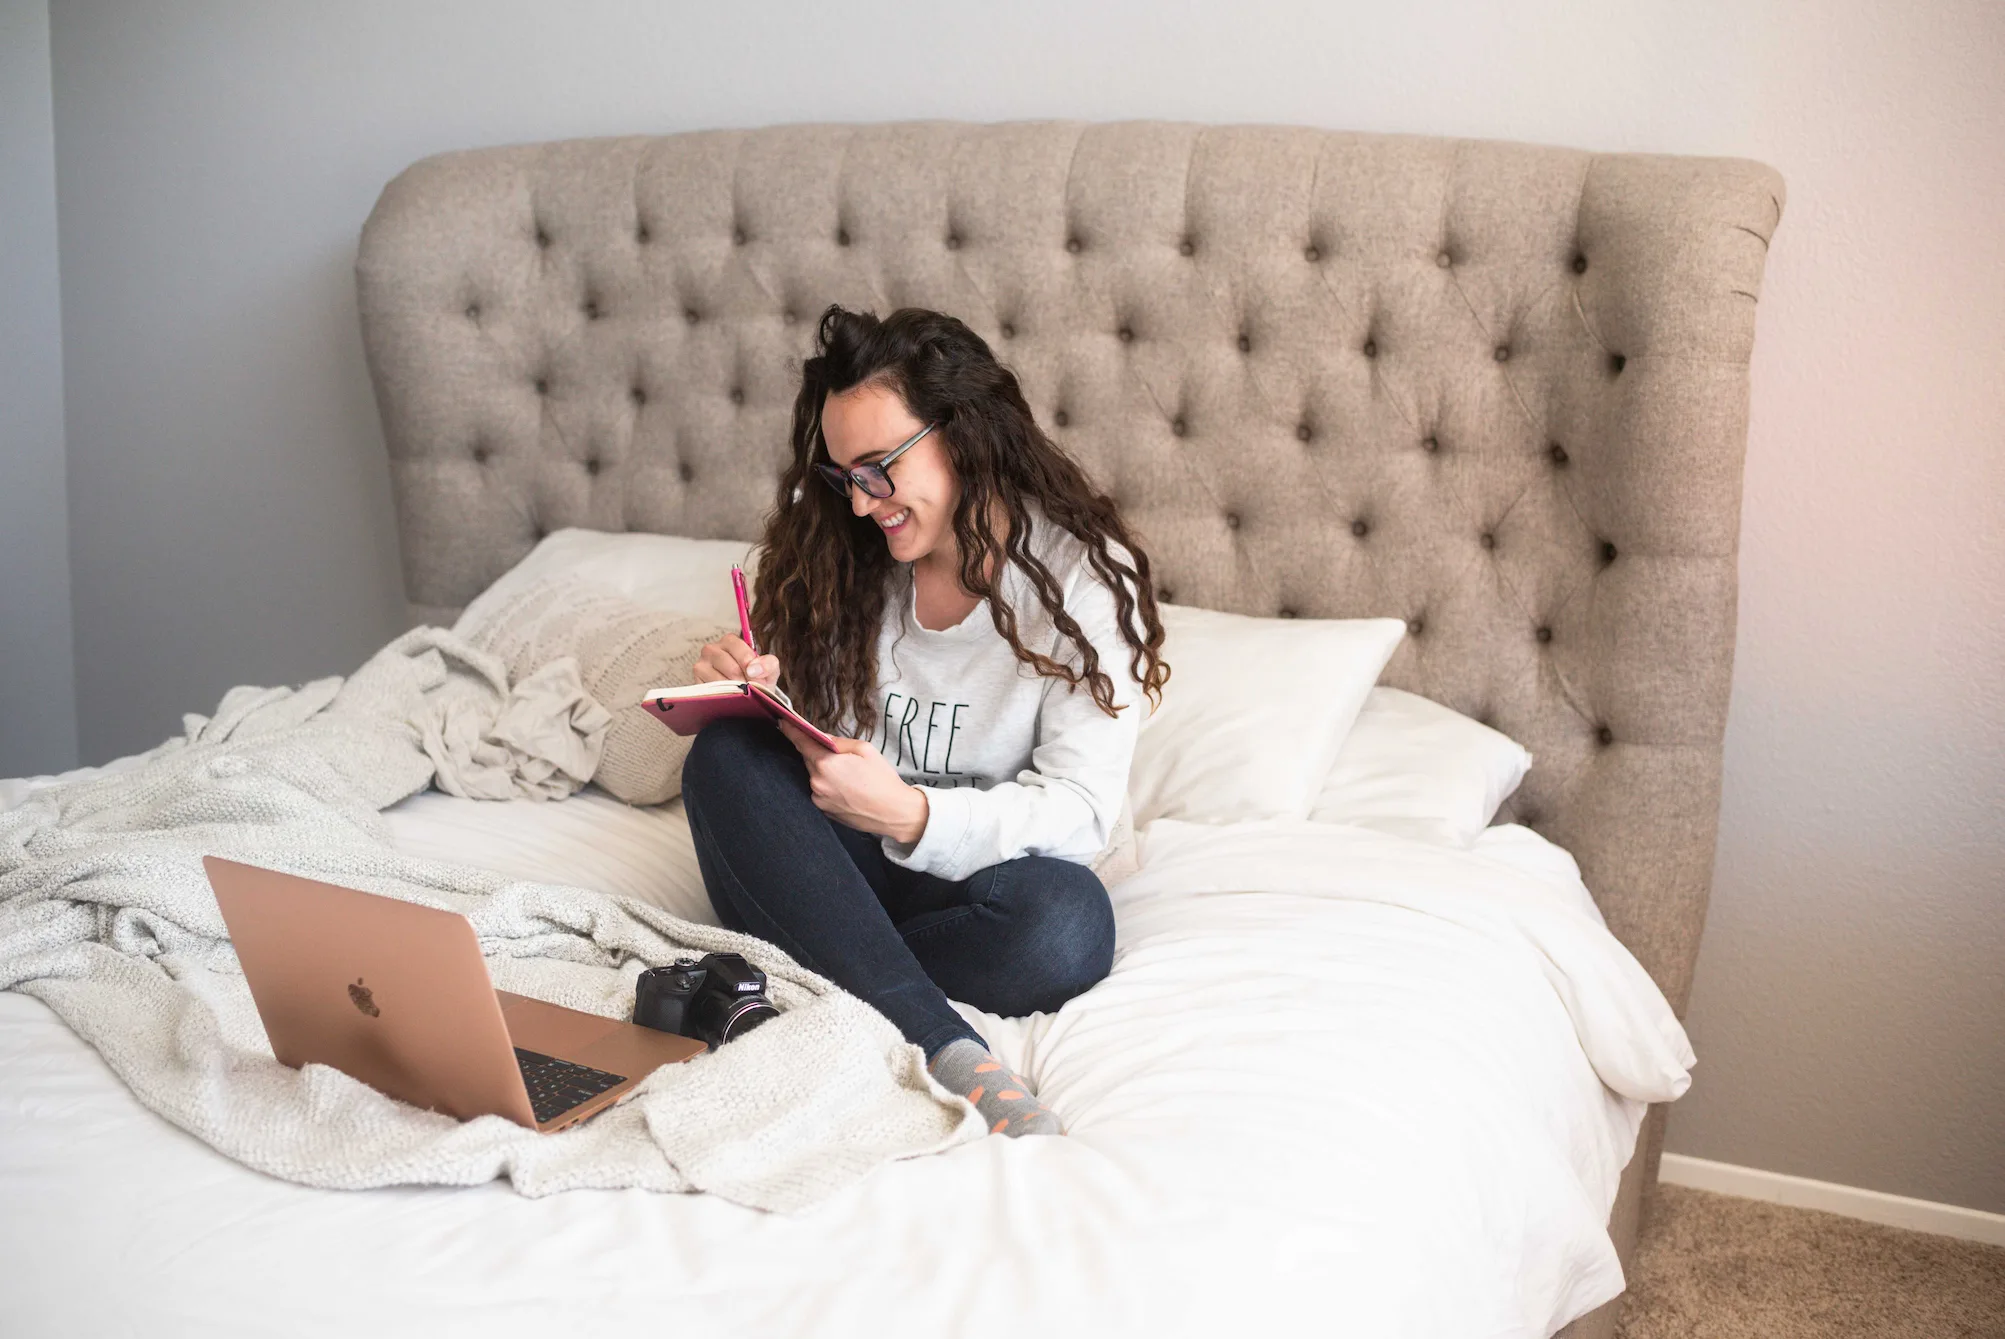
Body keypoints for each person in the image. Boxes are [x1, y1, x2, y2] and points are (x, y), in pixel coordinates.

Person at [680, 305, 1169, 1136]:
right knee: (726, 754)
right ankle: (943, 1045)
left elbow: (1079, 812)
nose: (860, 504)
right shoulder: (838, 561)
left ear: (965, 434)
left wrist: (911, 814)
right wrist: (754, 690)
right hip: (838, 861)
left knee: (1066, 923)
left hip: (974, 881)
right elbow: (807, 760)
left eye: (878, 469)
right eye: (842, 476)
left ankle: (827, 960)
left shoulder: (1081, 581)